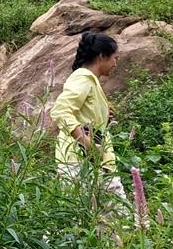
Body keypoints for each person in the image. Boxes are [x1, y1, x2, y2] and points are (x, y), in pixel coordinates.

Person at [49, 31, 127, 200]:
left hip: (93, 160)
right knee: (113, 216)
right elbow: (61, 110)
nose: (116, 63)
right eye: (115, 57)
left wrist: (104, 116)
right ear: (101, 56)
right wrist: (87, 143)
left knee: (106, 220)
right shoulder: (83, 78)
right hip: (79, 161)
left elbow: (83, 115)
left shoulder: (90, 80)